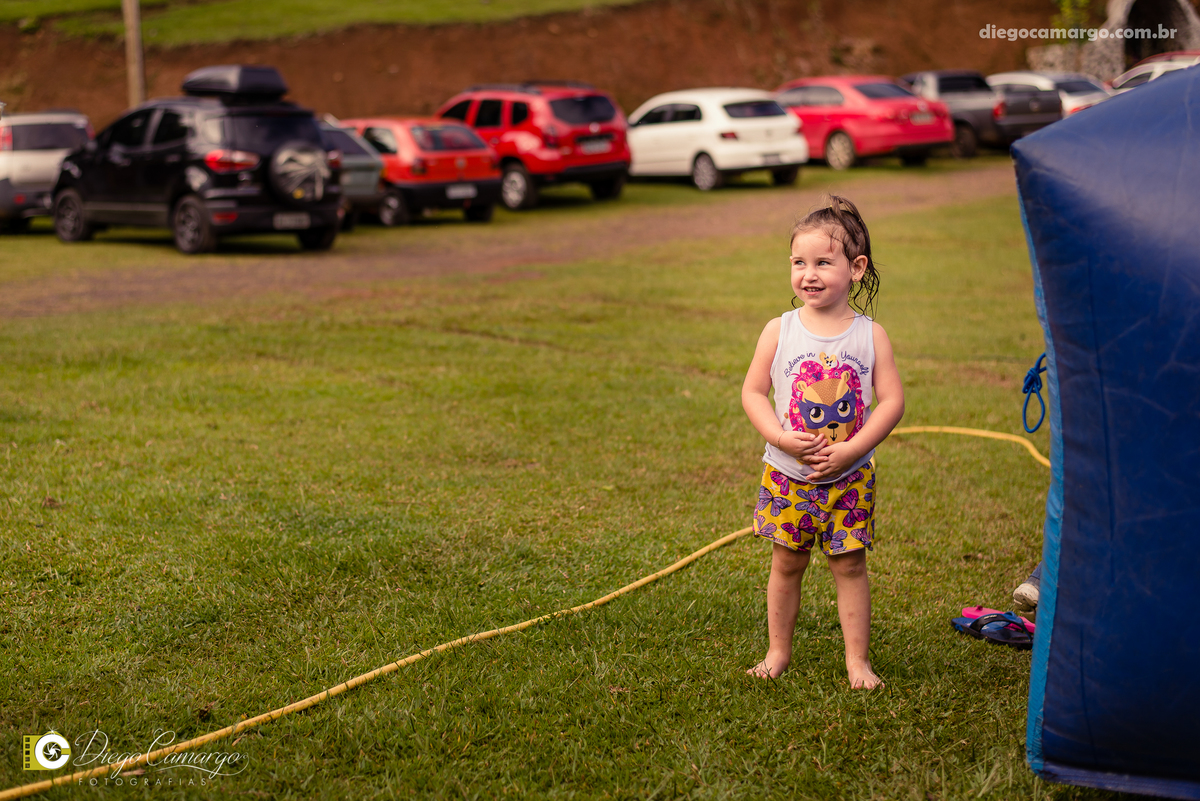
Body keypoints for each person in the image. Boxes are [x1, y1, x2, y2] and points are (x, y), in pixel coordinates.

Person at [740, 196, 905, 689]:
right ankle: (777, 653)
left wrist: (854, 450)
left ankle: (857, 661)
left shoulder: (870, 336)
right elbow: (753, 392)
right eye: (798, 263)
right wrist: (778, 437)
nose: (808, 274)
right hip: (788, 475)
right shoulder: (779, 330)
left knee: (849, 566)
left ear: (856, 269)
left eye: (822, 263)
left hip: (849, 481)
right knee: (787, 562)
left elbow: (892, 402)